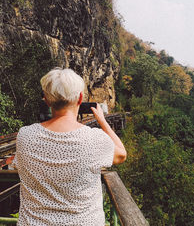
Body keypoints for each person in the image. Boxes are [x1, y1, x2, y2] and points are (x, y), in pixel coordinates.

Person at [12, 68, 127, 226]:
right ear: (80, 98)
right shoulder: (93, 139)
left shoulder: (25, 135)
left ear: (46, 99)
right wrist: (102, 120)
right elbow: (121, 154)